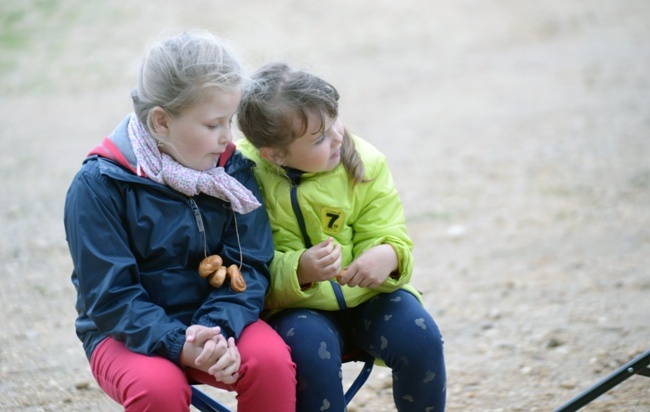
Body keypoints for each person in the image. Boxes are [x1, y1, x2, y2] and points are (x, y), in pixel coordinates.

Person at [63, 31, 296, 412]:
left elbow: (249, 264)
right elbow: (109, 296)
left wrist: (217, 331)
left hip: (219, 320)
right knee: (159, 389)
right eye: (212, 124)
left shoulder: (232, 172)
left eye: (230, 121)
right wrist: (180, 344)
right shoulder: (99, 186)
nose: (227, 137)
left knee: (270, 363)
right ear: (161, 122)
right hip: (125, 332)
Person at [236, 62, 446, 411]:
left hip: (370, 298)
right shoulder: (243, 178)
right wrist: (298, 269)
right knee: (310, 355)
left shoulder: (365, 161)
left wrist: (388, 256)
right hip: (297, 309)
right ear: (274, 155)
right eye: (319, 138)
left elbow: (388, 229)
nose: (336, 137)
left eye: (334, 121)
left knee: (421, 337)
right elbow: (245, 263)